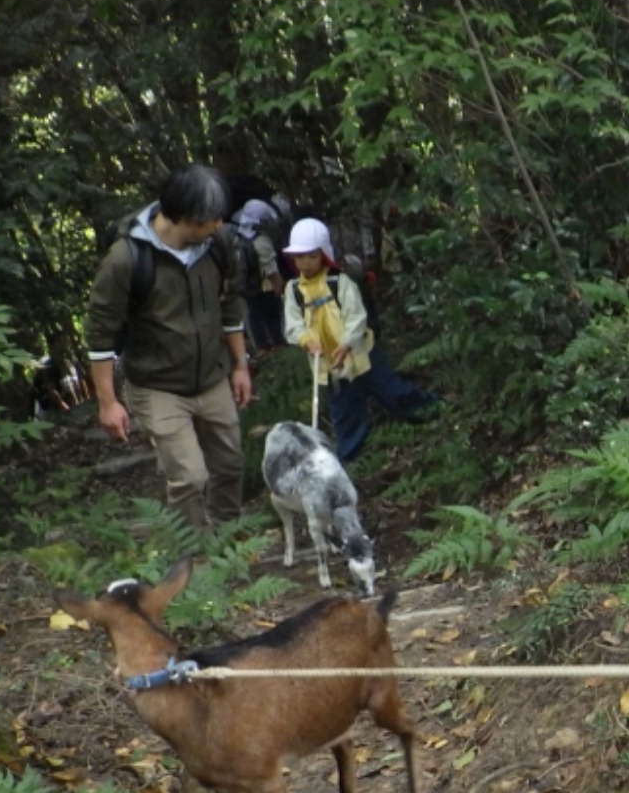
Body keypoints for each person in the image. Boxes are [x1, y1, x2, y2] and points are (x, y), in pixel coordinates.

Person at [87, 163, 252, 535]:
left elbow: (230, 304)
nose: (220, 226)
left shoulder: (218, 245)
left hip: (212, 376)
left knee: (229, 464)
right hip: (157, 384)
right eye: (212, 220)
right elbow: (101, 333)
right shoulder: (126, 259)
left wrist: (239, 365)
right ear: (186, 220)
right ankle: (191, 564)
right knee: (190, 477)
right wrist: (108, 401)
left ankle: (230, 541)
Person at [280, 217, 438, 464]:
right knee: (345, 412)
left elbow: (356, 316)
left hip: (361, 353)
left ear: (324, 254)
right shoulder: (293, 290)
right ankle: (350, 461)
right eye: (299, 257)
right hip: (331, 364)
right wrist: (305, 340)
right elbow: (293, 323)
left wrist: (346, 343)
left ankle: (432, 413)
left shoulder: (340, 282)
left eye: (311, 256)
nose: (305, 263)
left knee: (391, 390)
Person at [231, 198, 286, 353]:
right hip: (264, 287)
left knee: (255, 316)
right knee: (272, 315)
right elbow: (271, 270)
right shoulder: (261, 240)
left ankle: (261, 347)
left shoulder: (237, 239)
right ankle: (276, 345)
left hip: (247, 287)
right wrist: (280, 288)